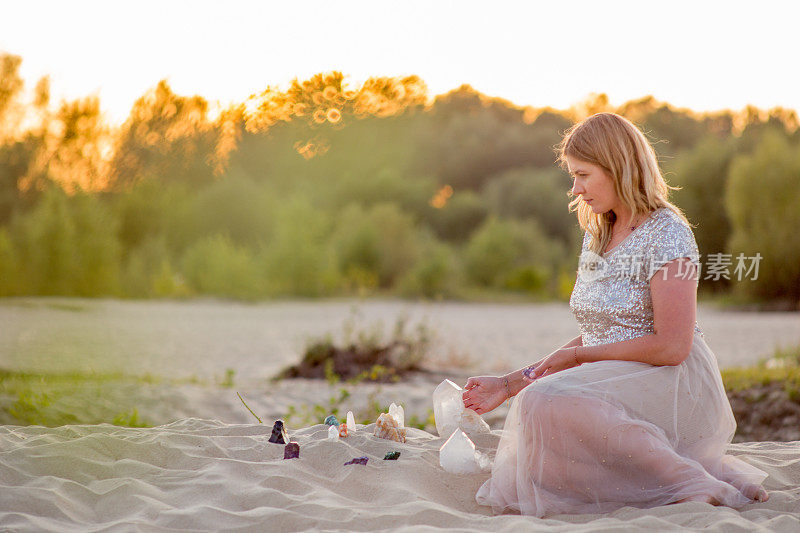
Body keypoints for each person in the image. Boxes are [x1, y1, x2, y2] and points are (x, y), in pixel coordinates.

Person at [462, 112, 769, 517]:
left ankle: (692, 482)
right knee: (539, 454)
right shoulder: (597, 234)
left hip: (668, 380)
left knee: (543, 401)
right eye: (573, 176)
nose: (576, 189)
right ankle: (706, 468)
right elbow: (597, 334)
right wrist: (508, 383)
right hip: (615, 379)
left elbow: (674, 346)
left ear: (619, 167)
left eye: (584, 175)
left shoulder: (667, 232)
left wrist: (572, 361)